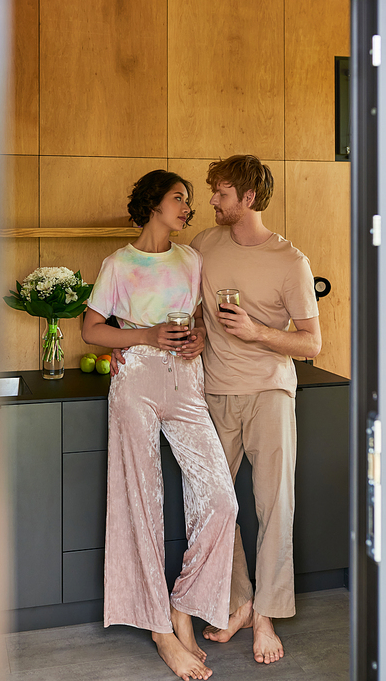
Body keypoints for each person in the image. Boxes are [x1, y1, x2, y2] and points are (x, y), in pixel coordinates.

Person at [82, 170, 237, 681]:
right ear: (154, 204)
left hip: (186, 381)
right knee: (141, 503)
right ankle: (160, 630)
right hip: (135, 384)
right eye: (179, 199)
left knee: (221, 499)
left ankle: (182, 606)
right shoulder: (118, 264)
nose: (188, 207)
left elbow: (193, 319)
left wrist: (195, 340)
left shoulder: (190, 258)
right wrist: (144, 334)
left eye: (189, 201)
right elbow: (90, 330)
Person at [190, 155, 321, 665]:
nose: (213, 202)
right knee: (215, 507)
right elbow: (199, 310)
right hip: (214, 392)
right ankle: (239, 600)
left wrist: (258, 332)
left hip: (269, 394)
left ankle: (265, 616)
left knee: (274, 506)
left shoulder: (292, 262)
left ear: (247, 199)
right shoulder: (205, 243)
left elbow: (312, 344)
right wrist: (197, 332)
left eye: (221, 194)